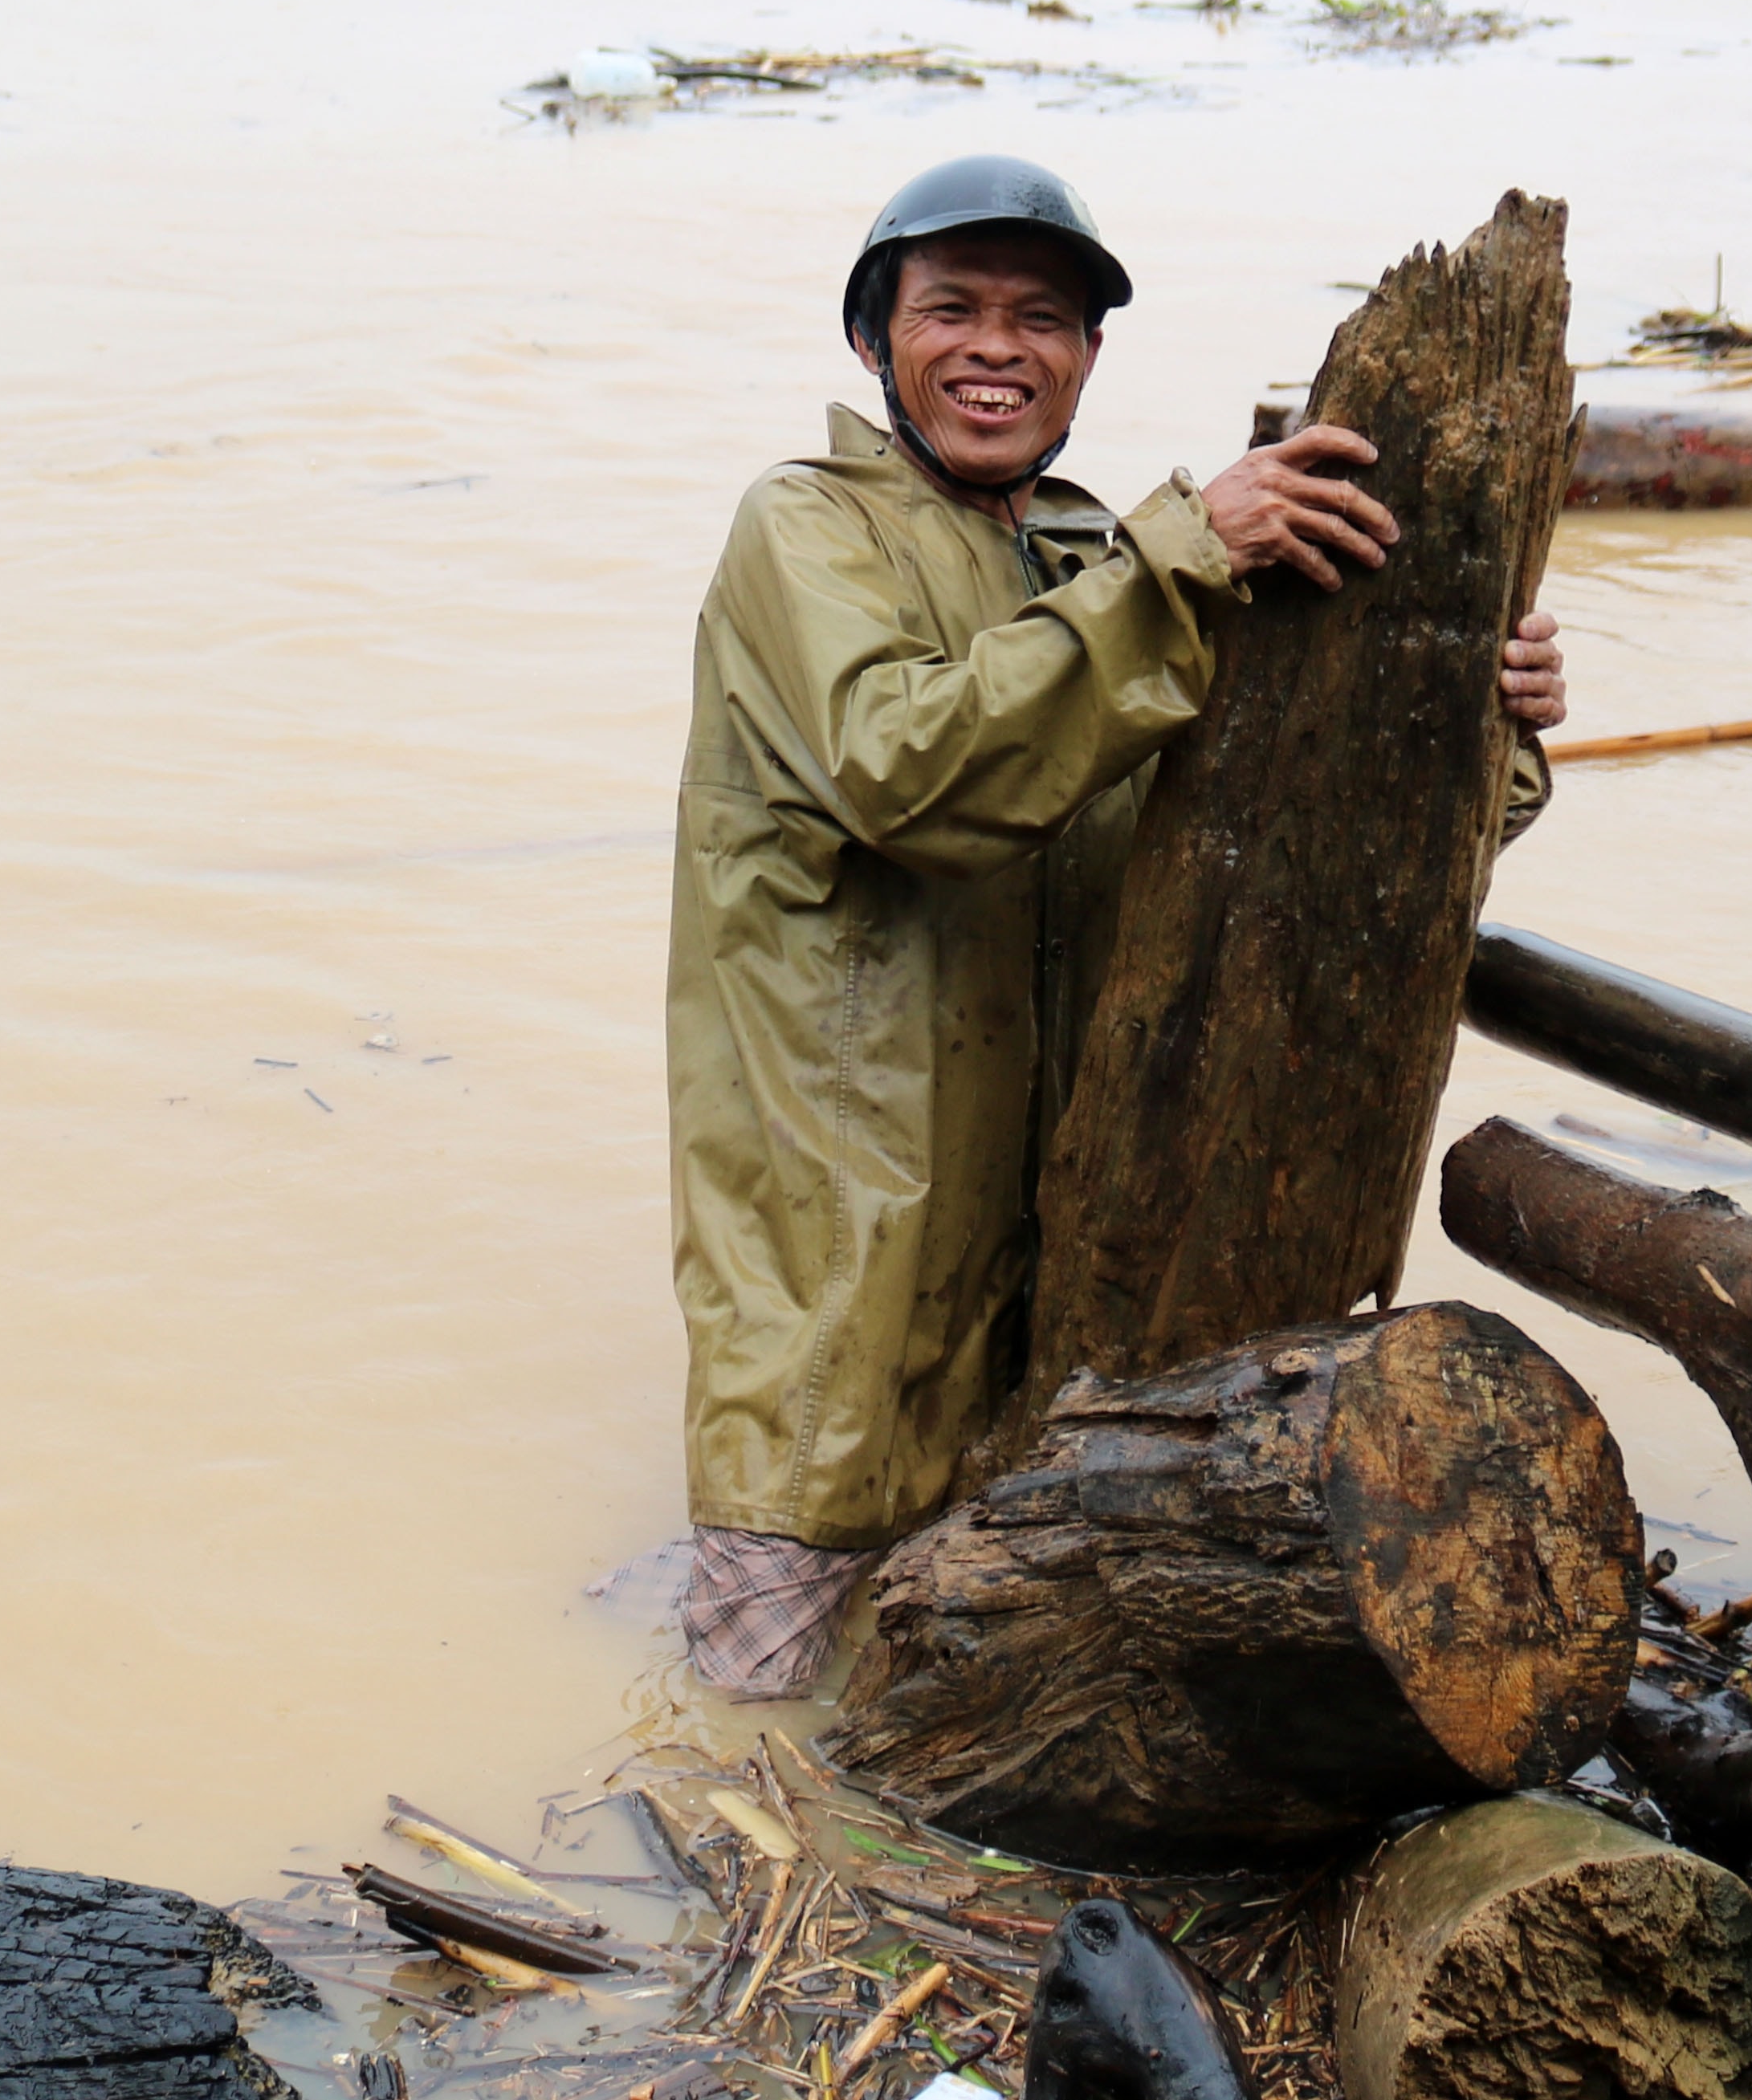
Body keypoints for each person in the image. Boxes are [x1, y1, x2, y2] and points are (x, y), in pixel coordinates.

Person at [666, 156, 1568, 1695]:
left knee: (981, 1704)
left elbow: (1267, 861)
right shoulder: (805, 533)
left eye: (1043, 317)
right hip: (842, 1301)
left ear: (1090, 357)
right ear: (874, 341)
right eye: (949, 309)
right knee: (757, 1732)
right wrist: (1182, 551)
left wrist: (1482, 716)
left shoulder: (1103, 559)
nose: (996, 348)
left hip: (1058, 1306)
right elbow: (915, 769)